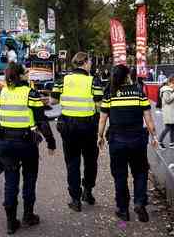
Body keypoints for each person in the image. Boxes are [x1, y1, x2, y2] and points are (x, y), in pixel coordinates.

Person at [0, 63, 56, 235]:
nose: (28, 74)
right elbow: (41, 120)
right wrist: (50, 141)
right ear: (20, 75)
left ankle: (11, 222)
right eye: (26, 72)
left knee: (10, 182)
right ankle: (28, 215)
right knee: (30, 179)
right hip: (27, 144)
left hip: (5, 143)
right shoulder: (30, 93)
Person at [97, 64, 158, 223]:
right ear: (128, 76)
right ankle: (139, 202)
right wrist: (154, 136)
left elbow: (103, 118)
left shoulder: (109, 94)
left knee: (120, 175)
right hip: (137, 139)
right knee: (140, 172)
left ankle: (123, 210)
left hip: (117, 140)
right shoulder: (139, 92)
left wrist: (100, 136)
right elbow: (148, 118)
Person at [51, 51, 103, 212]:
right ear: (85, 62)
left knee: (72, 162)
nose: (91, 64)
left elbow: (53, 100)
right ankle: (87, 191)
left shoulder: (62, 79)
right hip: (88, 127)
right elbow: (100, 105)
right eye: (90, 62)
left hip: (68, 126)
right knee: (90, 160)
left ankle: (75, 199)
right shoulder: (93, 80)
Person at [158, 74, 174, 150]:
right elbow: (168, 100)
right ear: (171, 81)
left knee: (172, 128)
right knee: (167, 128)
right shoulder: (165, 90)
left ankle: (172, 143)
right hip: (168, 113)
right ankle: (159, 142)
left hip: (171, 112)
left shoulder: (170, 89)